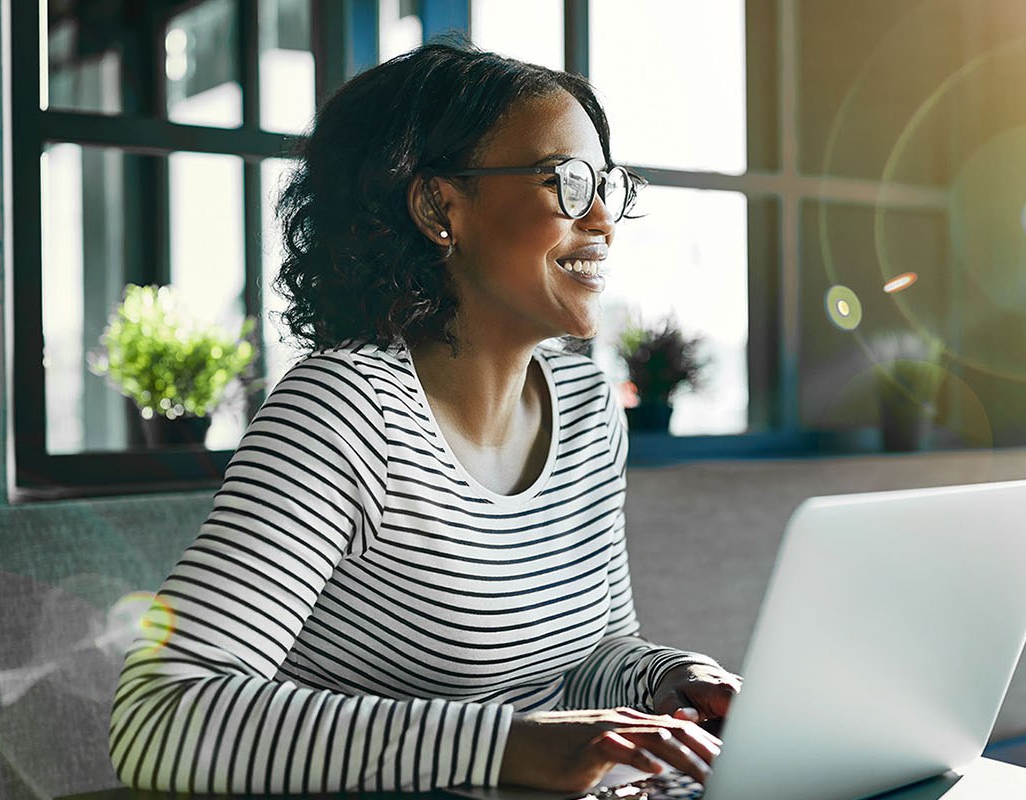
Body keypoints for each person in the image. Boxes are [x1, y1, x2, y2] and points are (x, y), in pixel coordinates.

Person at [107, 40, 742, 795]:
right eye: (566, 183)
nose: (603, 219)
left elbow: (590, 653)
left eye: (606, 183)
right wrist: (507, 745)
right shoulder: (342, 413)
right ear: (440, 207)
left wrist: (669, 681)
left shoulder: (585, 406)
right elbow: (159, 714)